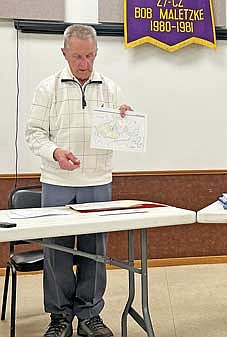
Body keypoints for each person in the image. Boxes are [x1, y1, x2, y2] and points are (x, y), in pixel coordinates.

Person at [25, 24, 132, 337]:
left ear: (96, 53)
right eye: (76, 57)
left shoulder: (111, 89)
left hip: (97, 180)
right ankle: (59, 318)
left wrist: (126, 122)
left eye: (88, 56)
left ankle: (89, 315)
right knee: (56, 251)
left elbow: (120, 136)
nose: (83, 63)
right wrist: (55, 151)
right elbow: (34, 134)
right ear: (64, 54)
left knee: (94, 251)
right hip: (57, 180)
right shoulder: (48, 88)